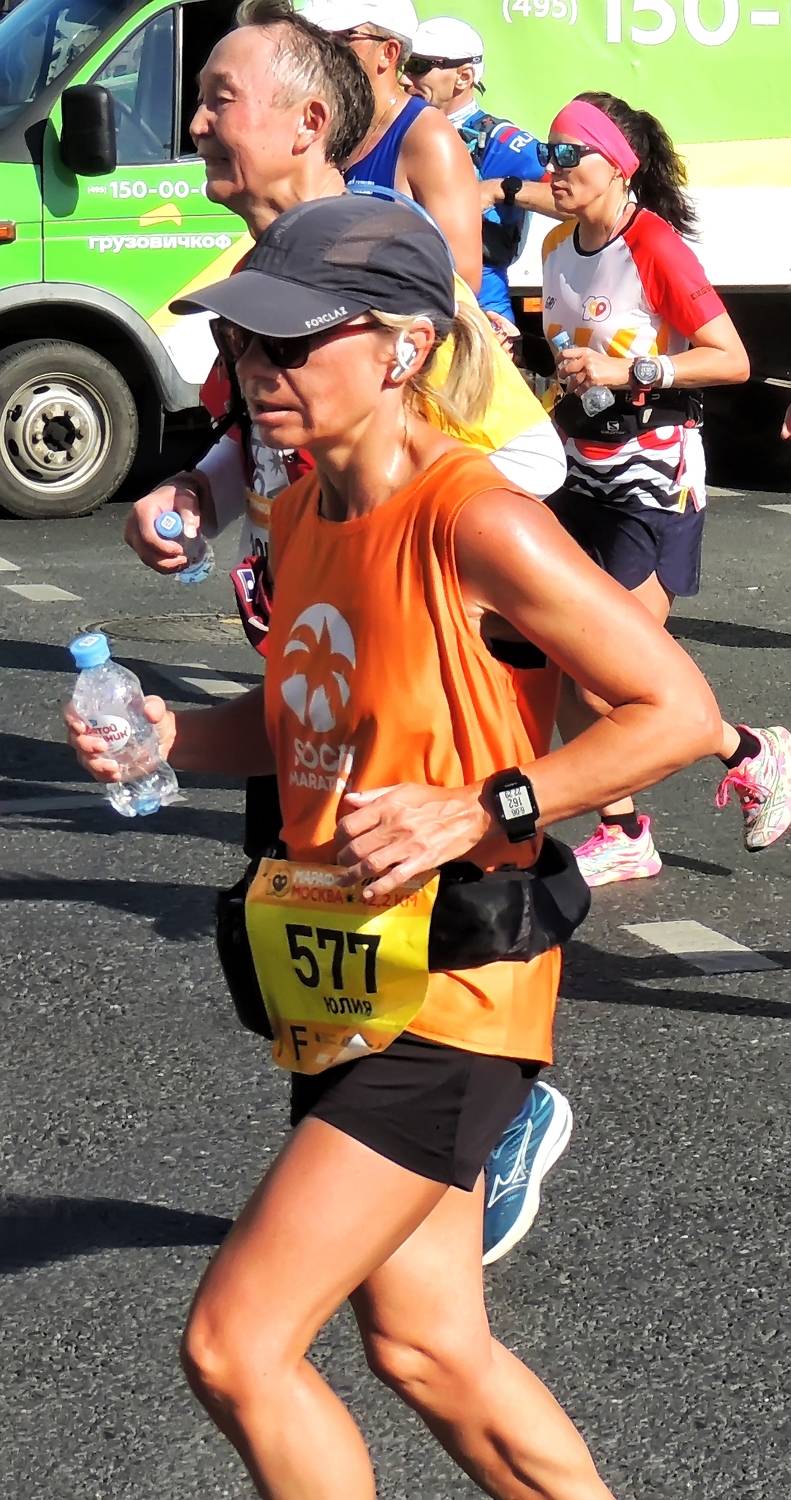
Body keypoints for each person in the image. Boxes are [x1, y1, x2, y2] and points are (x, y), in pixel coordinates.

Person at [67, 191, 723, 1500]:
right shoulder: (308, 516)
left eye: (292, 342)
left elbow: (677, 711)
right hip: (348, 979)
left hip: (454, 986)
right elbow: (298, 717)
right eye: (244, 343)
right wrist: (170, 737)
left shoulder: (476, 518)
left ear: (404, 347)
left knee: (237, 1347)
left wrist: (486, 807)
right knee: (427, 1348)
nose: (257, 369)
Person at [125, 0, 569, 1268]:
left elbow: (523, 460)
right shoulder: (255, 269)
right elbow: (256, 436)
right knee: (309, 933)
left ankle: (485, 1120)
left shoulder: (384, 269)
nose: (193, 121)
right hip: (312, 662)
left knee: (245, 1339)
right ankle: (369, 1183)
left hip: (415, 695)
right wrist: (205, 492)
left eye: (217, 97)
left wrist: (409, 553)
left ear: (308, 120)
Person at [539, 92, 791, 885]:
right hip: (575, 472)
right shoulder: (554, 244)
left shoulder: (653, 244)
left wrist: (629, 369)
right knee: (562, 660)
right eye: (547, 153)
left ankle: (752, 751)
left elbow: (730, 359)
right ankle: (622, 831)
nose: (552, 169)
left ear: (618, 165)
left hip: (652, 479)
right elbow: (574, 358)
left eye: (567, 154)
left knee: (611, 669)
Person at [303, 0, 483, 293]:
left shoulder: (427, 135)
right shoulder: (327, 128)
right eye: (320, 36)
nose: (324, 49)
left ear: (388, 52)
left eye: (345, 36)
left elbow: (461, 280)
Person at [404, 14, 561, 319]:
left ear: (463, 77)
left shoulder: (498, 141)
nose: (405, 78)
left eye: (419, 66)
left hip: (479, 312)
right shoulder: (395, 129)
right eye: (405, 64)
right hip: (407, 300)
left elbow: (579, 201)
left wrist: (500, 189)